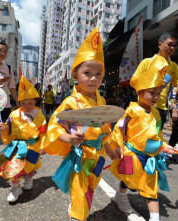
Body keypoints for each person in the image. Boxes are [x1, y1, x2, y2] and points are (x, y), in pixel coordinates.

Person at [43, 27, 117, 221]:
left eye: (99, 74)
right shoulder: (71, 103)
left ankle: (78, 208)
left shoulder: (101, 101)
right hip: (80, 154)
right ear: (75, 74)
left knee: (90, 188)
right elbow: (55, 126)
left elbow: (105, 128)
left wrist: (109, 148)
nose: (93, 78)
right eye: (87, 73)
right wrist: (68, 137)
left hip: (98, 155)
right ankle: (77, 216)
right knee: (80, 189)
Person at [109, 56, 178, 220]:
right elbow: (119, 129)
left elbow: (157, 134)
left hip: (149, 158)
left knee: (151, 190)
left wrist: (163, 146)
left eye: (158, 93)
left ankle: (154, 218)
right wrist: (117, 147)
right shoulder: (132, 110)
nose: (155, 97)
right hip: (131, 154)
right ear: (139, 92)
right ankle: (120, 196)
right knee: (127, 180)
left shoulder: (156, 113)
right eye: (152, 93)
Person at [0, 76, 46, 202]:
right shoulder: (14, 115)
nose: (27, 106)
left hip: (32, 146)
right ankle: (15, 187)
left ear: (36, 101)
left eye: (30, 103)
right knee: (13, 166)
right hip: (17, 146)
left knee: (30, 165)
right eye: (23, 103)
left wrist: (43, 146)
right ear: (19, 102)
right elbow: (8, 128)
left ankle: (29, 178)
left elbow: (44, 132)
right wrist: (4, 129)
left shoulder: (40, 116)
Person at [135, 32, 178, 130]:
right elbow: (135, 81)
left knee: (156, 139)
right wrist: (152, 83)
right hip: (145, 107)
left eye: (174, 46)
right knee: (141, 139)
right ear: (160, 44)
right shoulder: (147, 62)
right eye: (169, 44)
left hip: (162, 109)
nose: (172, 48)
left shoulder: (174, 66)